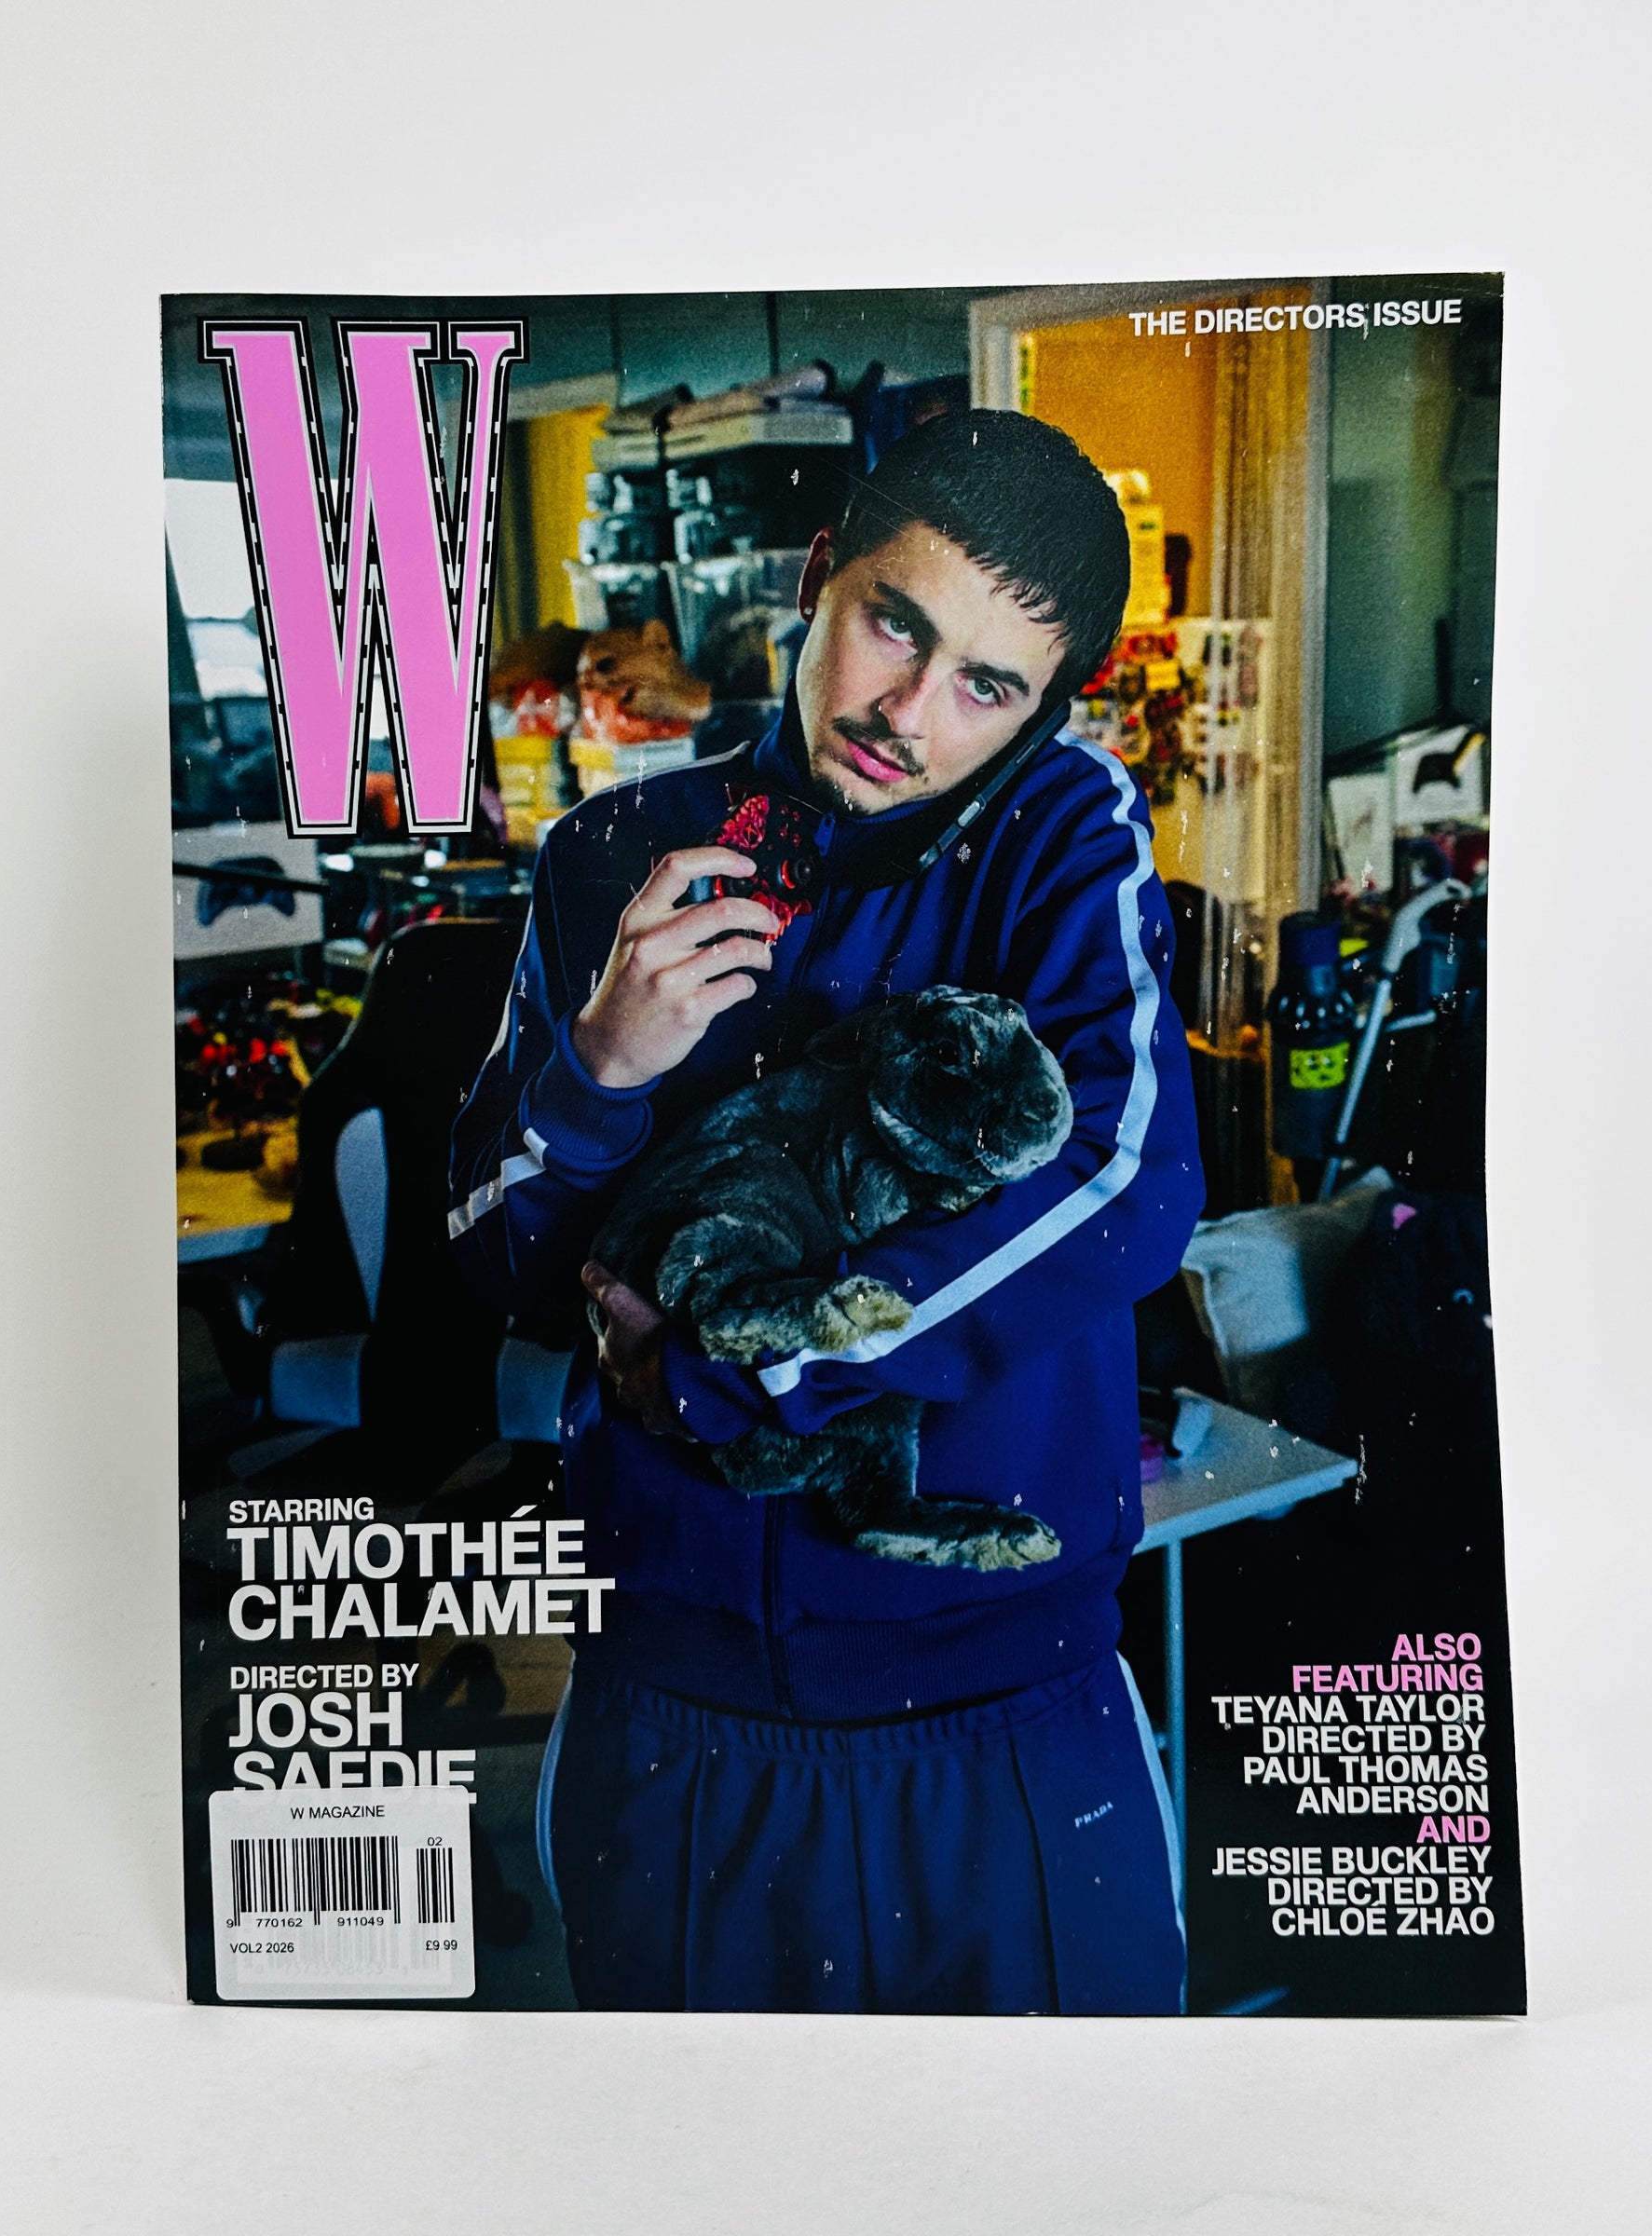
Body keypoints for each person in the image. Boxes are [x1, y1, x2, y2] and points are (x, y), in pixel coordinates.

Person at [447, 409, 1202, 2013]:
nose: (907, 715)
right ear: (819, 575)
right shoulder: (604, 851)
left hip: (996, 1707)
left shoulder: (1064, 836)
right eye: (894, 624)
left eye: (988, 686)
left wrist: (748, 1370)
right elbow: (492, 1266)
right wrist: (599, 1068)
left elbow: (1125, 1183)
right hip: (671, 1703)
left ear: (1047, 710)